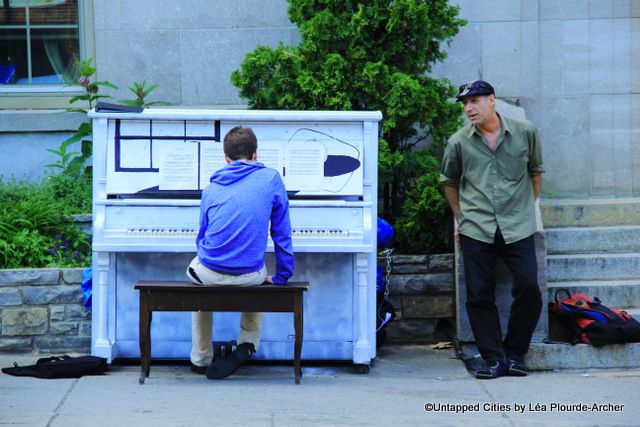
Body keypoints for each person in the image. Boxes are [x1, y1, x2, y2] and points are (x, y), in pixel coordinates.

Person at [441, 80, 544, 379]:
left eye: (474, 101)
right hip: (477, 226)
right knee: (478, 294)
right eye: (464, 103)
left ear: (492, 100)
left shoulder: (526, 133)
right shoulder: (458, 142)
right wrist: (461, 219)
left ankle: (515, 354)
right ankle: (494, 359)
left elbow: (535, 173)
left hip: (518, 224)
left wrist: (527, 207)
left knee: (529, 288)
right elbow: (450, 182)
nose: (468, 108)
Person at [185, 126, 294, 379]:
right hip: (249, 276)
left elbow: (201, 236)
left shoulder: (212, 187)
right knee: (259, 271)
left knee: (198, 279)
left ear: (226, 158)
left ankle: (201, 357)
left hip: (209, 274)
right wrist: (282, 276)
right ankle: (248, 342)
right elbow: (282, 234)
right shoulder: (271, 178)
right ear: (256, 155)